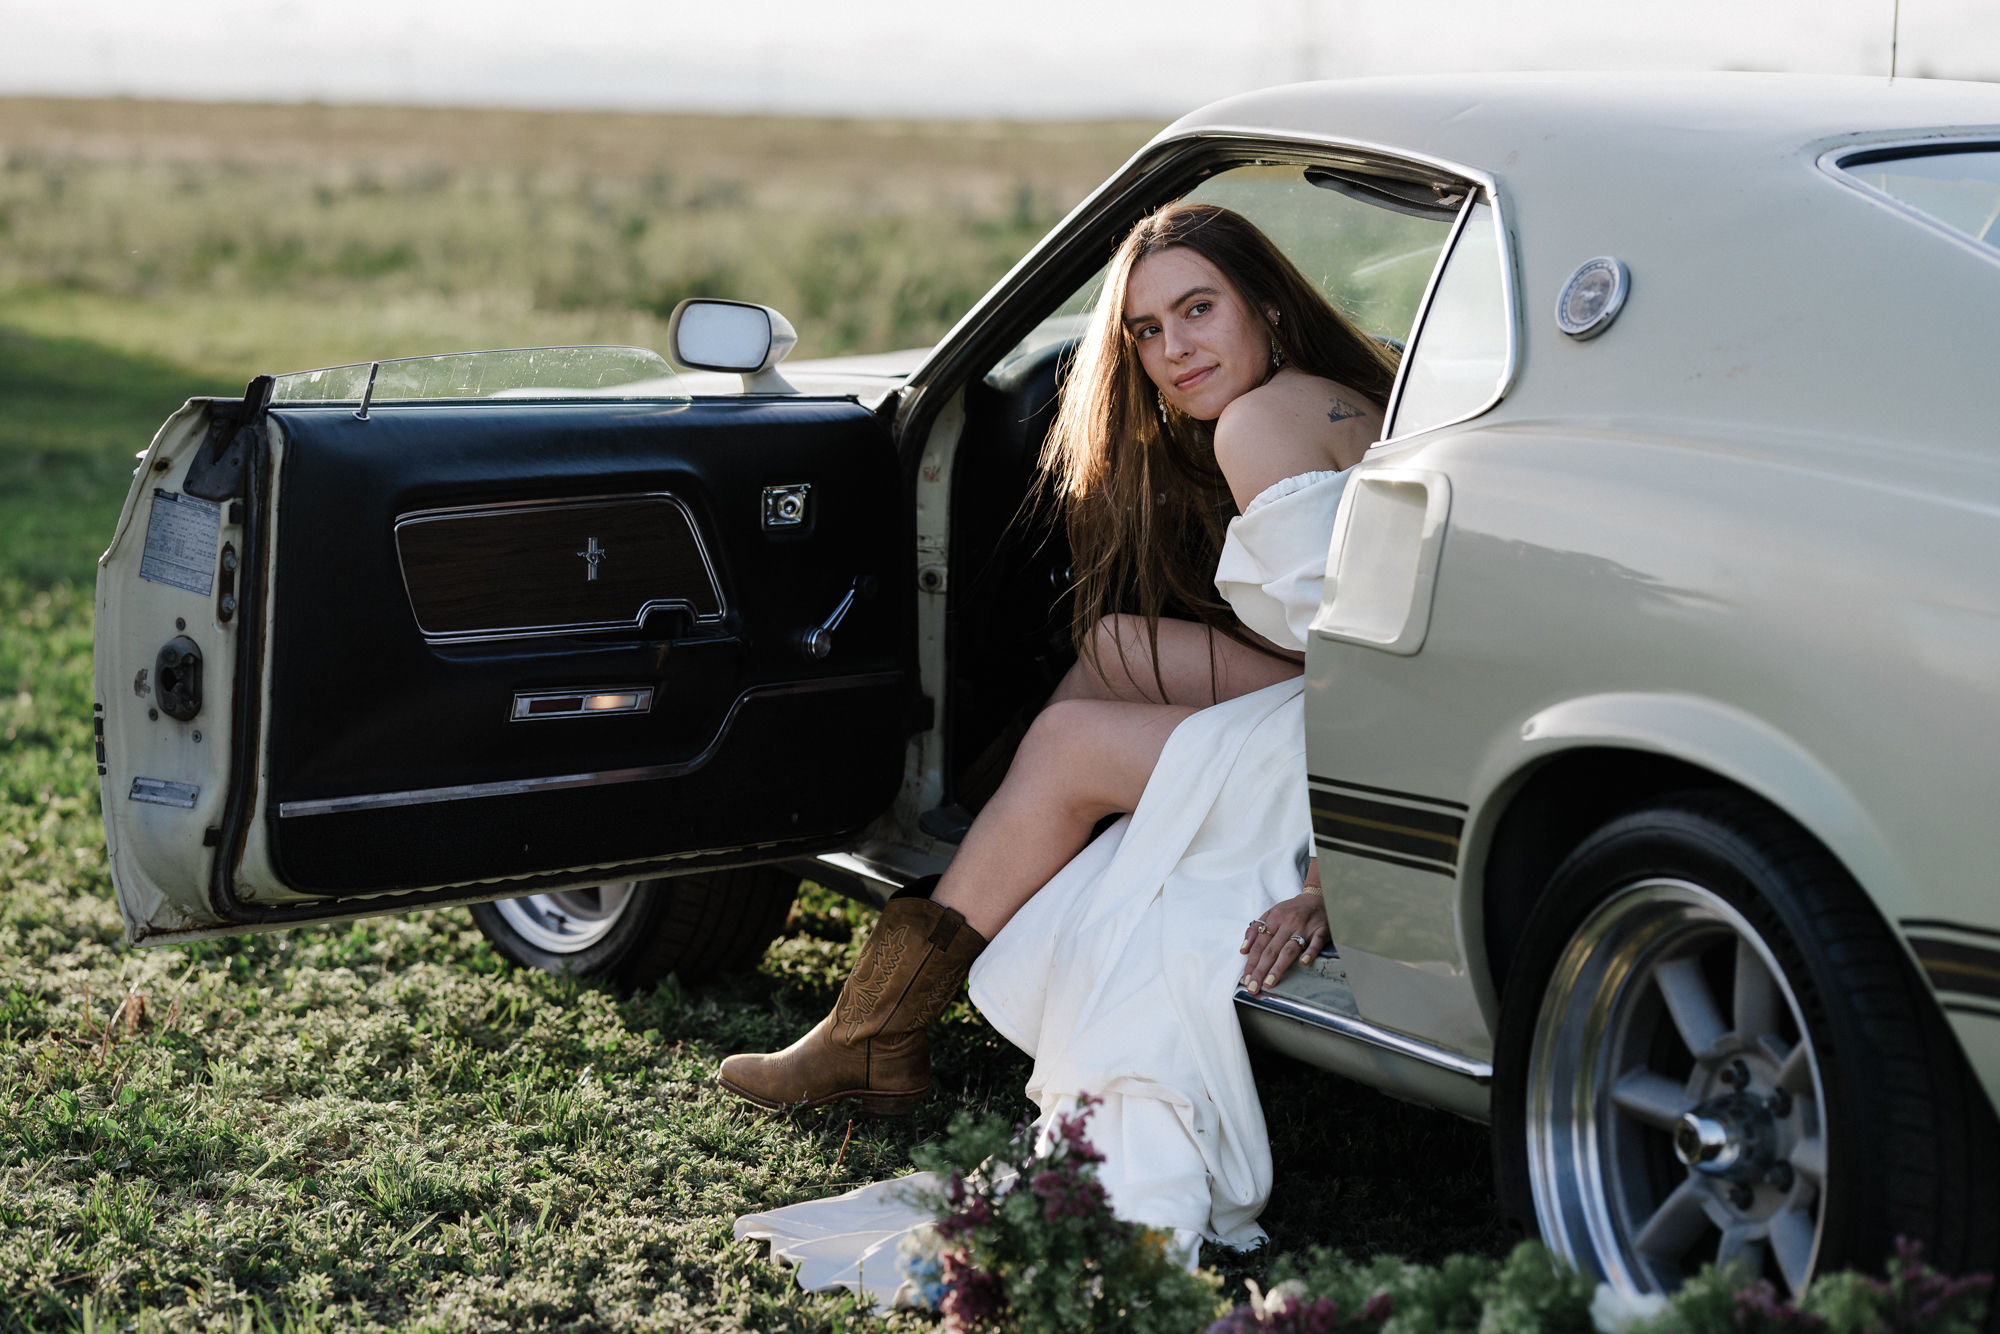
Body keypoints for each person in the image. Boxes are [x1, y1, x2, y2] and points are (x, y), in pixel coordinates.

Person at [725, 201, 1400, 1295]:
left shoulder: (1255, 426)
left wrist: (1335, 874)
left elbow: (1367, 663)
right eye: (1142, 330)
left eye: (1196, 310)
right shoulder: (1331, 396)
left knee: (1070, 743)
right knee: (1110, 641)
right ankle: (939, 946)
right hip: (1392, 708)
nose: (1171, 350)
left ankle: (878, 1018)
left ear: (1266, 308)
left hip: (1367, 745)